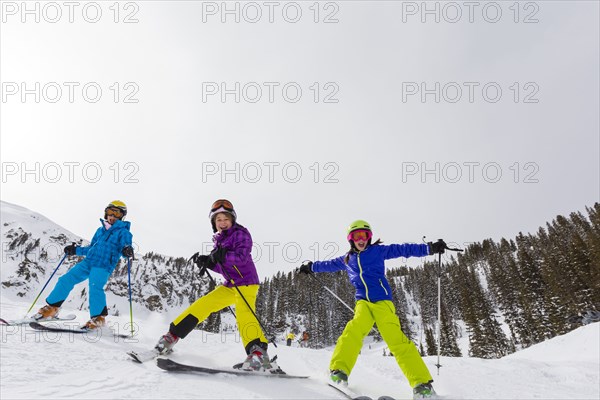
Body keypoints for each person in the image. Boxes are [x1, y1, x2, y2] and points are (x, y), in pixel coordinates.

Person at [298, 220, 446, 399]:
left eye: (365, 235)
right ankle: (338, 372)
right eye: (357, 236)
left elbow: (403, 249)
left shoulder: (377, 251)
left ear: (369, 237)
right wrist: (311, 266)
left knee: (396, 340)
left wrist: (429, 248)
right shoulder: (347, 259)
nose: (361, 239)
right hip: (363, 303)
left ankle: (422, 385)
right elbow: (328, 265)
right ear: (350, 239)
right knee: (353, 330)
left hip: (383, 301)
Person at [154, 199, 274, 371]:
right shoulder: (219, 240)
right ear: (214, 223)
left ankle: (258, 354)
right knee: (202, 305)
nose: (222, 222)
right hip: (229, 285)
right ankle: (171, 336)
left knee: (244, 314)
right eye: (218, 220)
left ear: (232, 220)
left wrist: (221, 255)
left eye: (226, 219)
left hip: (246, 283)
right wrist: (208, 262)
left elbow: (241, 257)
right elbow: (223, 266)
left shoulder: (241, 234)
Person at [33, 200, 134, 330]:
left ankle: (98, 319)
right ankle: (52, 308)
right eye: (110, 212)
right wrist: (75, 250)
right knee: (65, 279)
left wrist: (127, 250)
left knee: (95, 287)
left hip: (103, 265)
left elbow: (126, 248)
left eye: (117, 213)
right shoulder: (100, 230)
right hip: (89, 262)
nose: (112, 216)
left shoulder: (124, 232)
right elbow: (91, 248)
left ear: (122, 216)